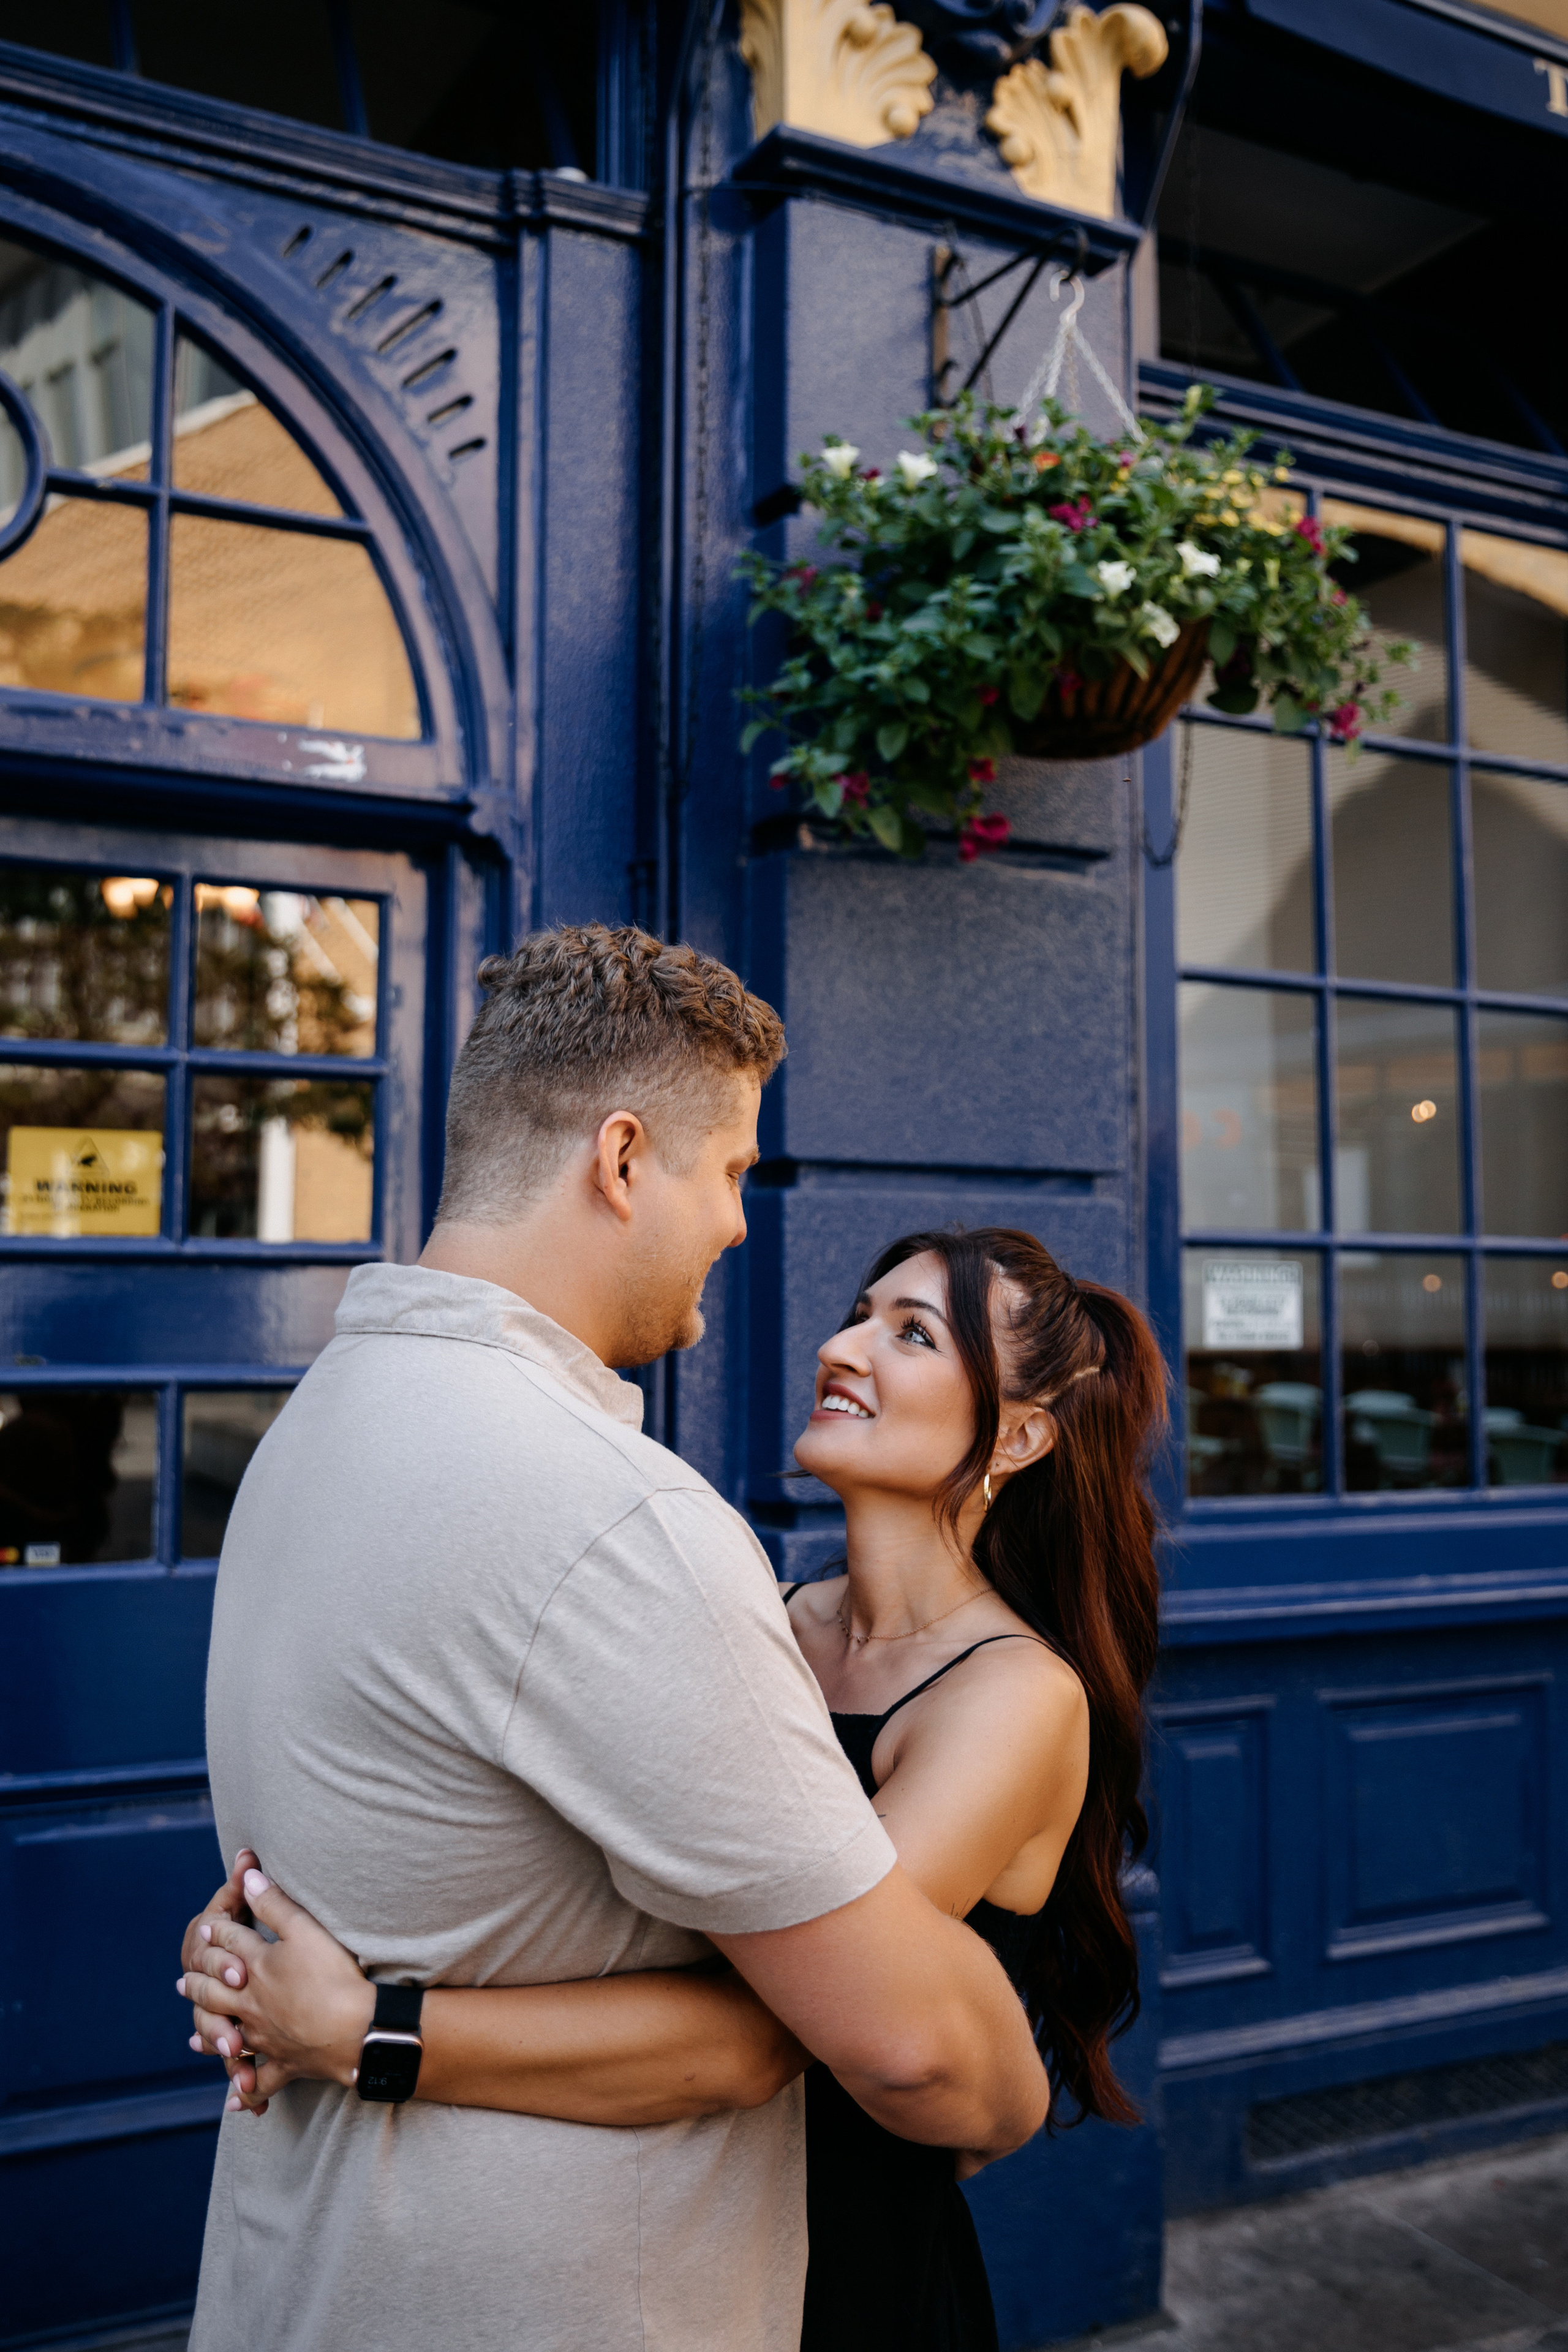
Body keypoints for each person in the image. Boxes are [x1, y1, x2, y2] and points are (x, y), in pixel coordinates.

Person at [179, 924, 1049, 2352]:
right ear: (624, 1159)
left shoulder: (318, 1422)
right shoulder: (612, 1520)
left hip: (317, 2278)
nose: (738, 1225)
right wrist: (1006, 2089)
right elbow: (912, 2049)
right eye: (730, 1173)